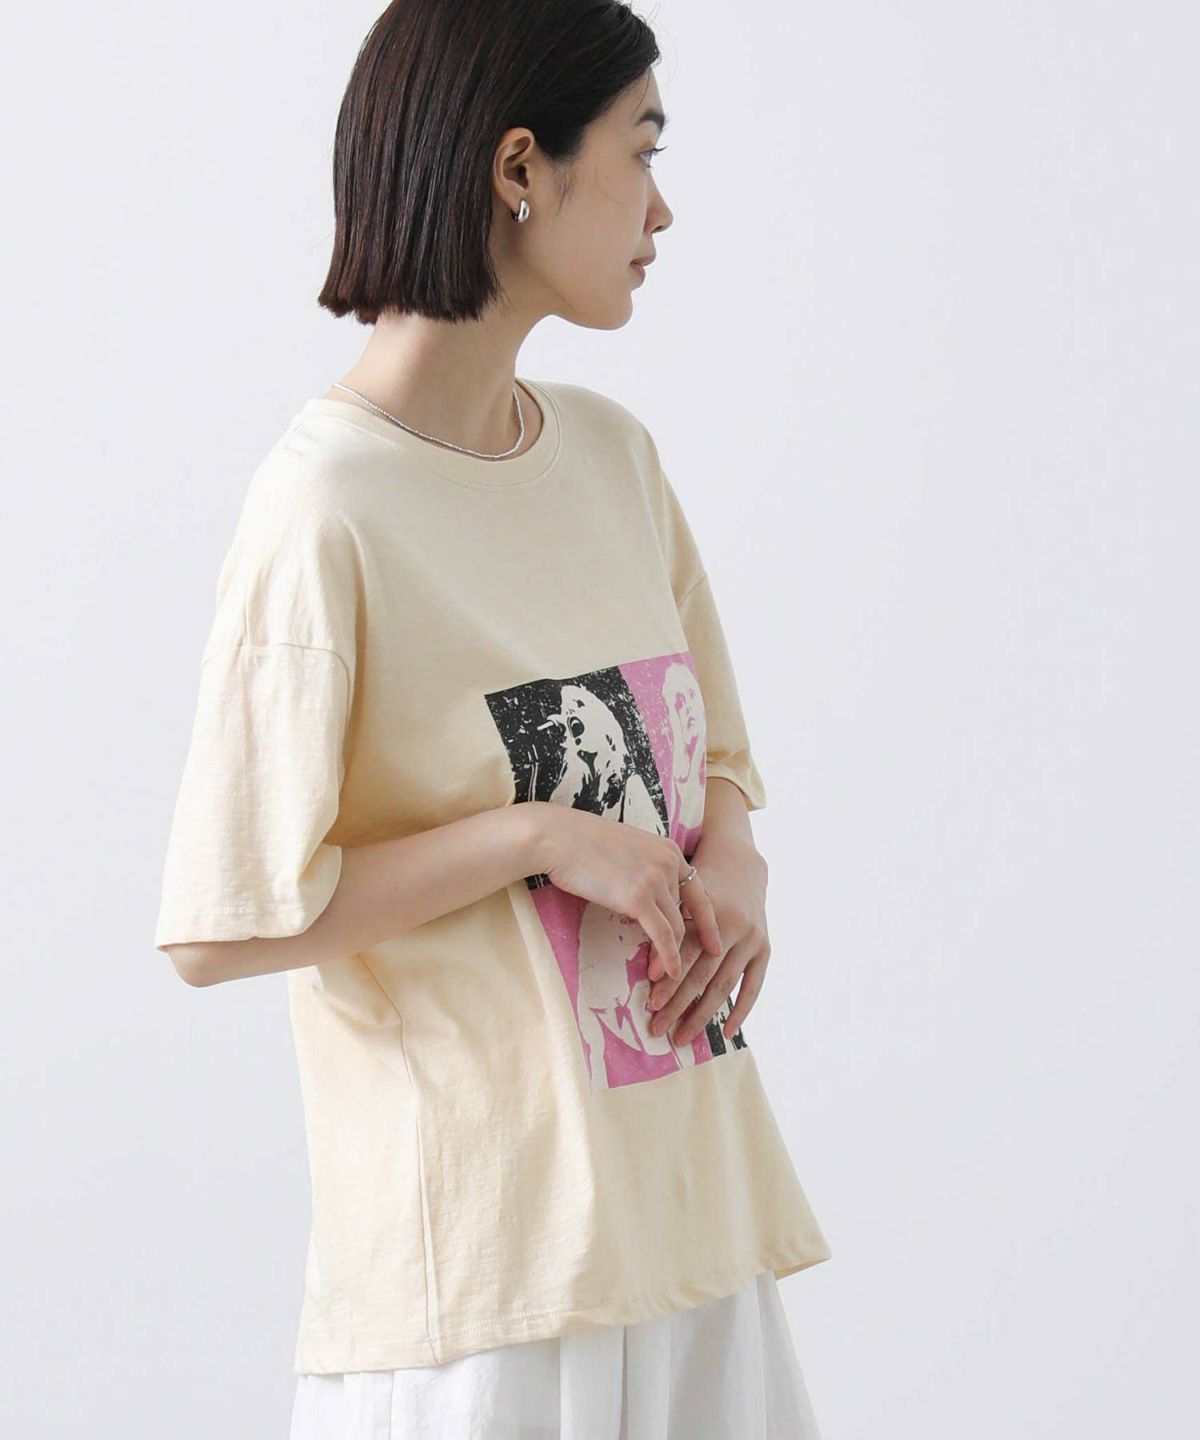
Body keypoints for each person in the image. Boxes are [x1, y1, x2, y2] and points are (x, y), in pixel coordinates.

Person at [152, 1, 833, 1435]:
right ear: (521, 167)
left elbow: (714, 763)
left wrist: (737, 867)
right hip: (488, 1286)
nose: (664, 209)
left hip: (690, 1230)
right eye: (643, 151)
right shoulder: (326, 511)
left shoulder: (612, 458)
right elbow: (221, 928)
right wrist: (534, 836)